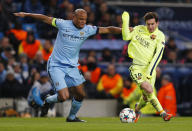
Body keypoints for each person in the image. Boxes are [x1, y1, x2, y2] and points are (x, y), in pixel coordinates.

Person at [14, 9, 122, 122]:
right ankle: (47, 100)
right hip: (56, 65)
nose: (83, 22)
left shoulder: (88, 29)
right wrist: (27, 14)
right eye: (80, 19)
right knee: (63, 97)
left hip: (72, 67)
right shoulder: (63, 24)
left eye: (85, 19)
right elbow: (45, 18)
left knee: (80, 94)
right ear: (73, 17)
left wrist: (125, 30)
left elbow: (108, 29)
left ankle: (71, 117)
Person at [122, 11, 173, 122]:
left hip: (150, 69)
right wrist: (125, 22)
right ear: (145, 23)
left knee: (145, 97)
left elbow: (158, 55)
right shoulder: (139, 29)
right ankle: (163, 114)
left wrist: (150, 72)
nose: (150, 26)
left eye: (152, 24)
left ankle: (137, 109)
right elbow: (126, 37)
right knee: (149, 89)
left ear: (157, 23)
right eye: (148, 24)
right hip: (136, 68)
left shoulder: (160, 36)